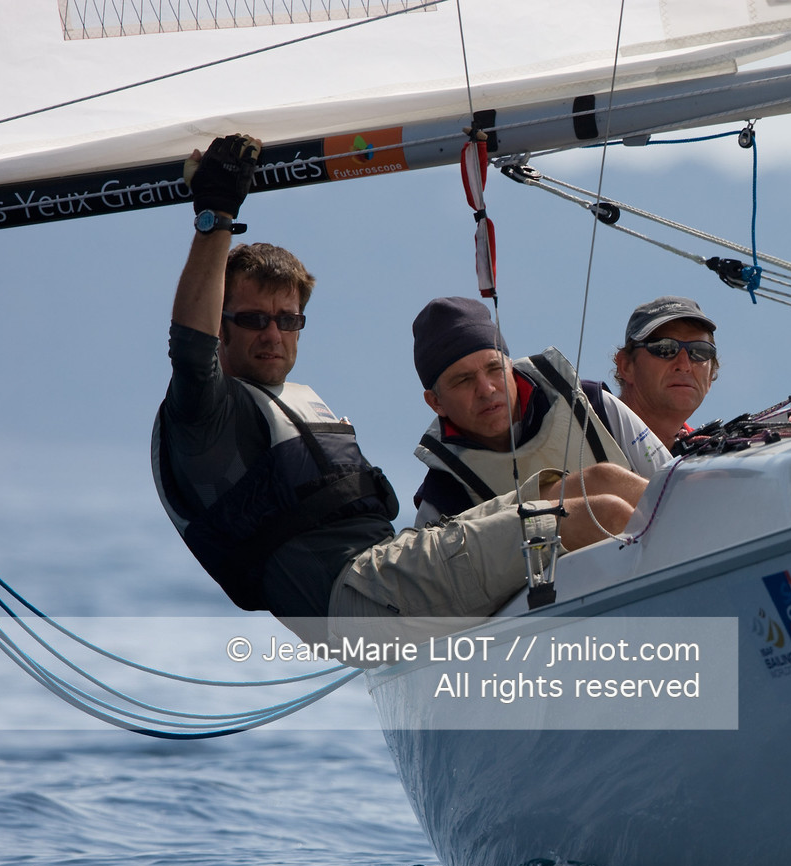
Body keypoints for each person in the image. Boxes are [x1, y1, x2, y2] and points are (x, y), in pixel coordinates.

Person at [153, 134, 630, 646]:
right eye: (252, 320)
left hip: (390, 568)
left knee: (603, 480)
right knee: (599, 516)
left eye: (288, 320)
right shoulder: (207, 416)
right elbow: (190, 351)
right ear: (221, 328)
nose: (273, 334)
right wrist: (216, 215)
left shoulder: (292, 401)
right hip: (361, 597)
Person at [409, 297, 662, 526]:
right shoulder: (442, 496)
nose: (486, 389)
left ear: (510, 365)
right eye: (463, 380)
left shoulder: (594, 407)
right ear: (435, 402)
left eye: (494, 368)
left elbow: (673, 488)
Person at [611, 296, 719, 449]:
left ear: (710, 376)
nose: (684, 365)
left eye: (700, 351)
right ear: (626, 366)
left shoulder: (714, 459)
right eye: (665, 348)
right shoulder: (578, 427)